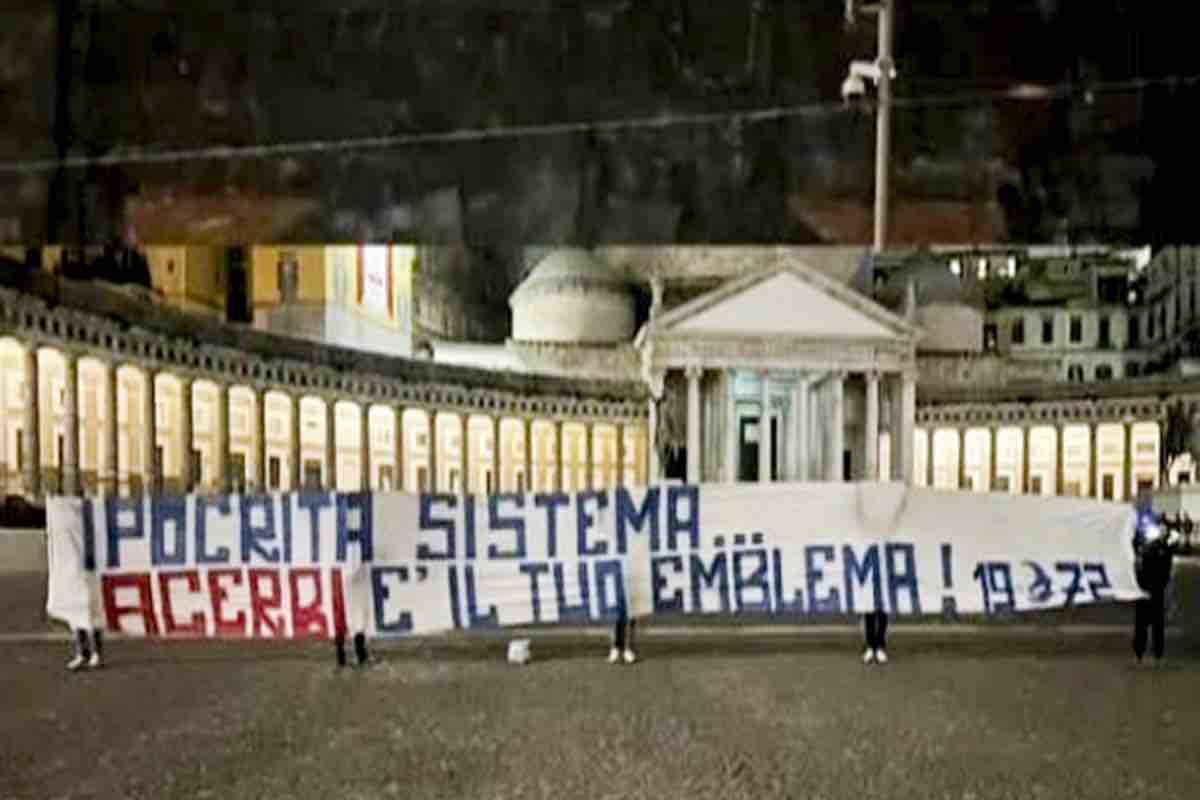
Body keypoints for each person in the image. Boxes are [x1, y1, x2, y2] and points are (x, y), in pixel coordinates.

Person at [1132, 511, 1181, 665]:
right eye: (1158, 527)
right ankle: (1139, 652)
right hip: (1143, 588)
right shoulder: (1146, 545)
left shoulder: (1167, 545)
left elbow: (1176, 538)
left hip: (1158, 589)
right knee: (1141, 624)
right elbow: (1134, 543)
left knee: (1158, 624)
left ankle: (1158, 653)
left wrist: (1168, 529)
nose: (1160, 530)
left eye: (1162, 528)